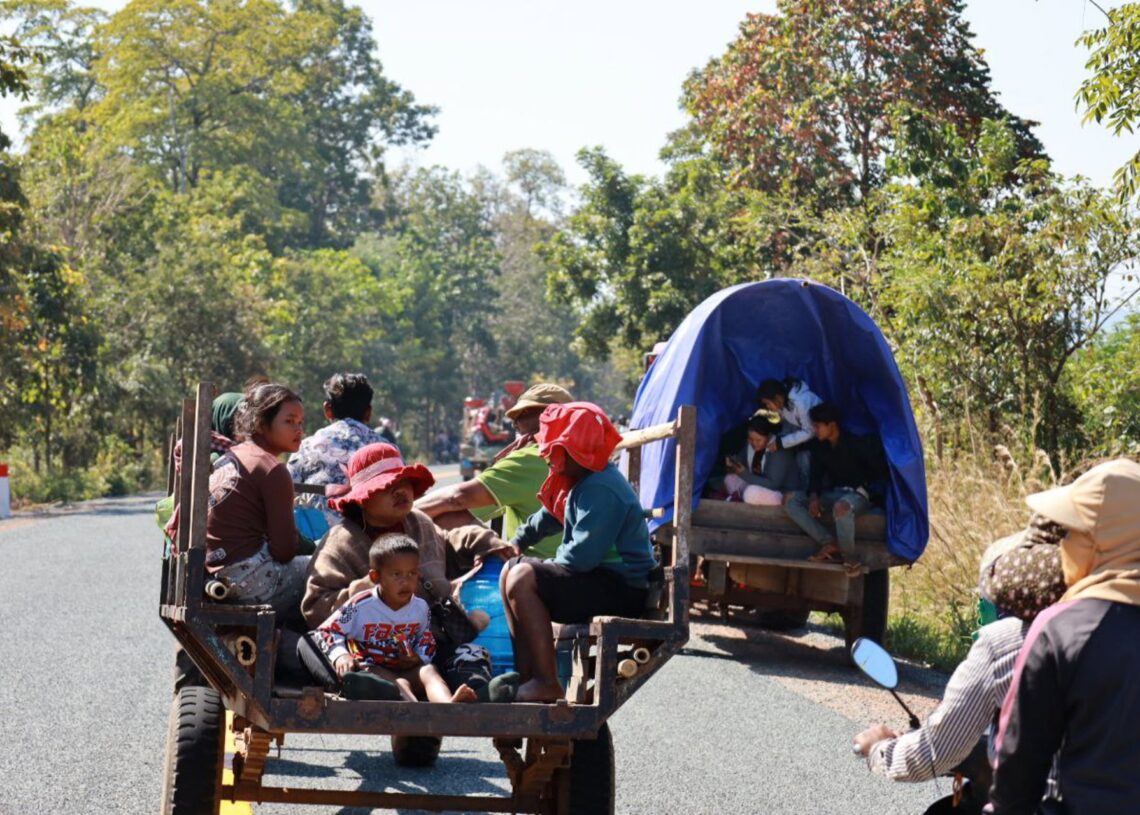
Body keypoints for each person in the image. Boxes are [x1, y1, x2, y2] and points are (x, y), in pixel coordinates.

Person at [852, 520, 1067, 789]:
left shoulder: (1005, 644)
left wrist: (880, 750)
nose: (979, 610)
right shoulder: (1114, 634)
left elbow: (936, 752)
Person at [989, 458, 1140, 815]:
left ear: (1101, 542)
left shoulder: (1062, 629)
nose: (1064, 546)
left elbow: (1018, 774)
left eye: (1072, 533)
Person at [301, 443, 512, 693]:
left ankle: (481, 690)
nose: (400, 490)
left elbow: (449, 542)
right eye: (387, 486)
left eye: (404, 482)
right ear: (363, 499)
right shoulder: (341, 541)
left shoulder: (419, 523)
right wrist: (365, 589)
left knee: (468, 655)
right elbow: (316, 609)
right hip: (367, 650)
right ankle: (374, 686)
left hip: (424, 644)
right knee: (315, 647)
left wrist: (486, 541)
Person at [501, 402, 657, 702]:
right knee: (510, 569)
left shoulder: (601, 488)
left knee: (522, 577)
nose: (547, 456)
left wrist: (536, 566)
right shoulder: (580, 479)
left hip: (621, 588)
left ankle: (546, 682)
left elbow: (579, 559)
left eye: (554, 450)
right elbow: (549, 515)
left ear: (574, 450)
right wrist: (516, 544)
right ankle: (528, 675)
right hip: (599, 578)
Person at [298, 534, 477, 703]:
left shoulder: (420, 607)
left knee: (429, 671)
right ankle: (412, 709)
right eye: (396, 574)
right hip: (375, 669)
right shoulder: (360, 606)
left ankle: (448, 704)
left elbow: (425, 637)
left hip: (406, 668)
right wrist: (341, 655)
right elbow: (327, 630)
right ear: (376, 577)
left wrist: (418, 657)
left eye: (411, 574)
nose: (405, 581)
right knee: (392, 682)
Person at [415, 383, 573, 556]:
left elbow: (456, 499)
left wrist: (399, 516)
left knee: (446, 518)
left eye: (520, 416)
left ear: (546, 416)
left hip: (537, 572)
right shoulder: (590, 456)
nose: (514, 424)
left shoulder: (528, 459)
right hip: (591, 572)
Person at [205, 383, 310, 619]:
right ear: (261, 424)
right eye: (289, 421)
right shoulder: (272, 469)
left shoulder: (234, 455)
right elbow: (284, 551)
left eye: (301, 422)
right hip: (250, 580)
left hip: (217, 574)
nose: (298, 430)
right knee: (333, 569)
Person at [784, 402, 887, 576]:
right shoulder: (820, 447)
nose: (815, 430)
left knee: (841, 507)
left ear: (831, 425)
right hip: (834, 493)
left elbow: (878, 473)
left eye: (817, 426)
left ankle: (849, 558)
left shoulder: (856, 444)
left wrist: (873, 493)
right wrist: (814, 497)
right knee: (791, 500)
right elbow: (815, 476)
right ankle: (829, 542)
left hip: (857, 495)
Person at [287, 373, 385, 525]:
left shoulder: (307, 447)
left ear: (327, 409)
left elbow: (287, 492)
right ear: (369, 412)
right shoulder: (386, 448)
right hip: (375, 540)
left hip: (321, 542)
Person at [722, 411, 802, 505]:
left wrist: (744, 474)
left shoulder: (779, 450)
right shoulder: (750, 444)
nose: (754, 443)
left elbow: (773, 485)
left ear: (768, 436)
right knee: (729, 479)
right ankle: (741, 498)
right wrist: (733, 463)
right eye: (750, 439)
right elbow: (741, 460)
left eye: (758, 440)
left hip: (782, 493)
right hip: (757, 483)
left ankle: (743, 498)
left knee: (751, 493)